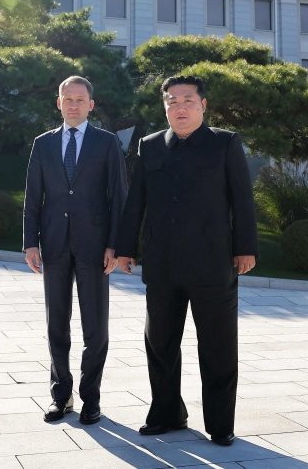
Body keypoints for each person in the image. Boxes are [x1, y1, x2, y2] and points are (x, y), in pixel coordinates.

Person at [116, 75, 258, 447]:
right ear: (164, 106)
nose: (179, 107)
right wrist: (125, 248)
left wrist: (246, 248)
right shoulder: (150, 147)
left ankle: (220, 423)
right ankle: (167, 413)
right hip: (162, 264)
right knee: (159, 344)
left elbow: (242, 199)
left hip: (213, 263)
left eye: (188, 100)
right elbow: (137, 202)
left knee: (218, 347)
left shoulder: (224, 144)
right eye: (172, 100)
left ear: (203, 105)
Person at [23, 76, 128, 425]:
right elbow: (32, 197)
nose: (73, 105)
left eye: (80, 100)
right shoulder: (43, 144)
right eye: (67, 99)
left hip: (95, 247)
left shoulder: (107, 143)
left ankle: (91, 399)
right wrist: (29, 242)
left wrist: (116, 244)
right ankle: (60, 395)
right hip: (52, 245)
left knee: (95, 327)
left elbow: (119, 197)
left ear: (90, 105)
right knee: (57, 324)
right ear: (58, 103)